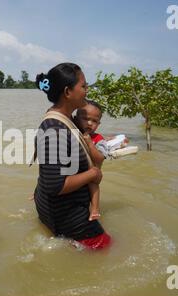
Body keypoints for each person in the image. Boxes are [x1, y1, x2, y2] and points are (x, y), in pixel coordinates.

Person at [33, 63, 111, 250]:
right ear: (68, 92)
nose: (87, 91)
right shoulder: (56, 130)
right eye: (83, 86)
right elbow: (56, 185)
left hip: (51, 209)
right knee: (107, 249)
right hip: (67, 216)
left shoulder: (65, 119)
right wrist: (93, 174)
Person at [74, 99, 130, 220]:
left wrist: (90, 143)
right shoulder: (73, 133)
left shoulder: (98, 139)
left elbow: (99, 158)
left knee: (93, 186)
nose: (89, 123)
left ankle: (95, 209)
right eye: (85, 118)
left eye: (94, 121)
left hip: (93, 173)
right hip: (77, 173)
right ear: (76, 119)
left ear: (98, 124)